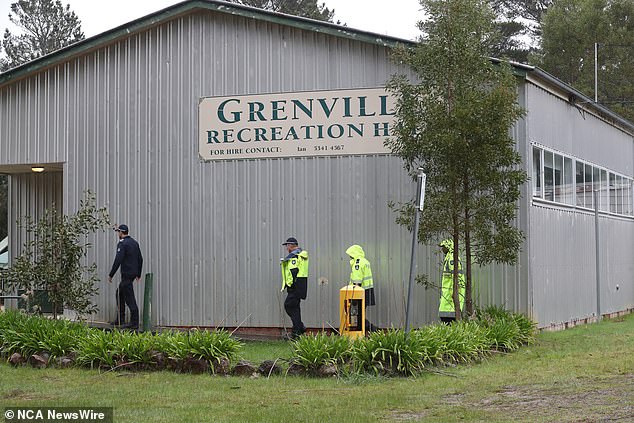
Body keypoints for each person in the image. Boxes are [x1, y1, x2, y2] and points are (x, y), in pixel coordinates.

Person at [108, 224, 143, 330]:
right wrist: (138, 274)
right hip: (132, 274)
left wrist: (111, 274)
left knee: (129, 298)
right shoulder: (134, 243)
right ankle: (120, 319)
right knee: (119, 293)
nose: (118, 234)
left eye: (118, 232)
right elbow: (140, 259)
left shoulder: (122, 244)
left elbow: (118, 260)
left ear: (121, 232)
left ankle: (134, 322)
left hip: (127, 274)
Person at [280, 237, 309, 339]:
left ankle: (298, 329)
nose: (286, 248)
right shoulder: (299, 255)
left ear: (291, 245)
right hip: (300, 285)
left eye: (287, 246)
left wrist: (290, 284)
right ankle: (298, 330)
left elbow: (293, 272)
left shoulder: (294, 257)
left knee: (289, 306)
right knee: (295, 308)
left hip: (295, 286)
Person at [345, 244, 377, 332]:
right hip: (367, 290)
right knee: (360, 313)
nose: (350, 257)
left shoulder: (357, 263)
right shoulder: (365, 261)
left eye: (350, 255)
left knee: (357, 314)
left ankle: (371, 329)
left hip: (359, 291)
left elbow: (357, 278)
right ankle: (363, 330)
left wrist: (355, 292)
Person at [438, 239, 465, 324]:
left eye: (444, 247)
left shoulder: (451, 259)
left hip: (450, 294)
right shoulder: (449, 257)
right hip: (448, 293)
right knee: (446, 317)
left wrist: (454, 292)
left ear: (448, 247)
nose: (442, 249)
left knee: (447, 319)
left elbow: (456, 277)